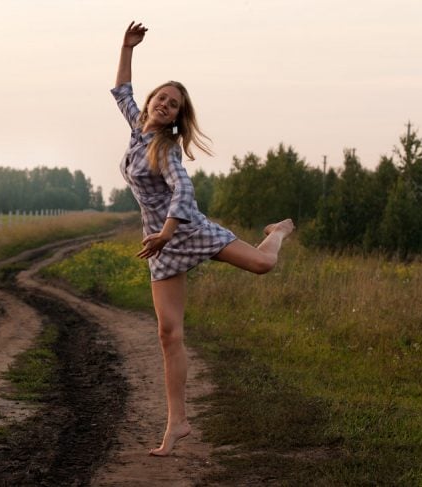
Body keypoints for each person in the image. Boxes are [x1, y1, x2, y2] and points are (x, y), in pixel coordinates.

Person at [111, 21, 295, 457]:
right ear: (152, 102)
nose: (165, 106)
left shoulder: (166, 149)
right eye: (162, 99)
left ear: (176, 117)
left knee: (263, 265)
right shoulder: (138, 131)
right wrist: (126, 47)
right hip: (159, 241)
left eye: (173, 106)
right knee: (168, 333)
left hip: (185, 230)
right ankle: (178, 423)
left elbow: (184, 191)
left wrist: (166, 233)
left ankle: (278, 231)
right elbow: (121, 92)